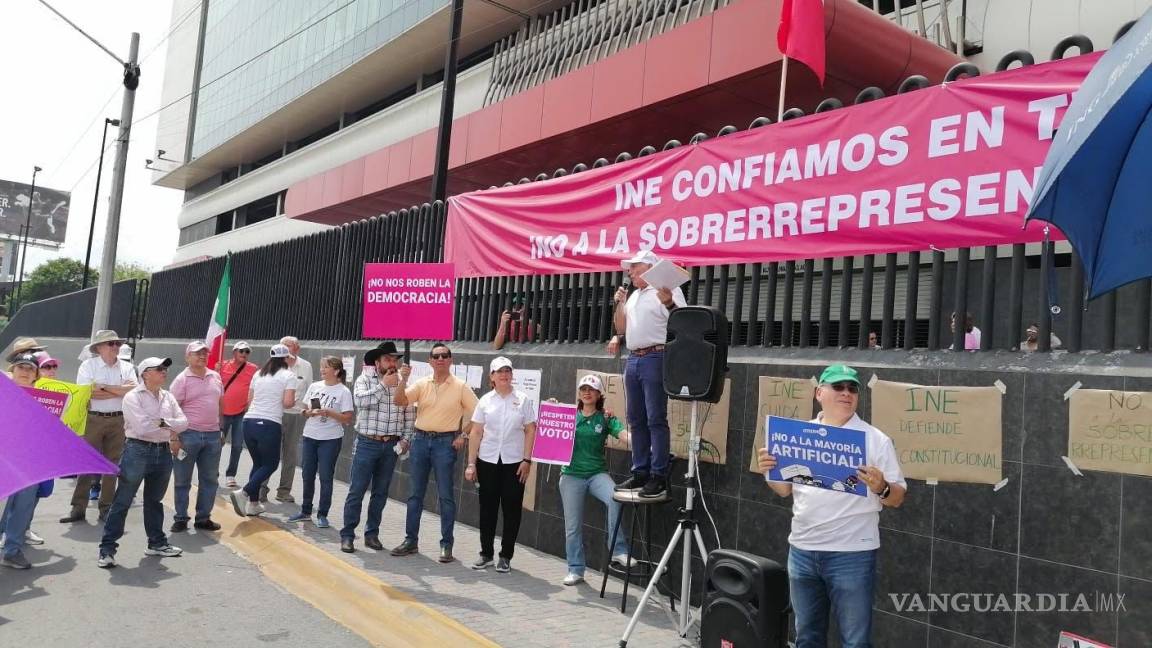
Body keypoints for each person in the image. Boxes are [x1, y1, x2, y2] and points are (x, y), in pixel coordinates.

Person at [757, 364, 907, 648]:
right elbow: (784, 490)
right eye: (838, 387)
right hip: (802, 550)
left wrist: (881, 487)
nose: (846, 393)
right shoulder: (799, 436)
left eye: (852, 388)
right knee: (807, 637)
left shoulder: (876, 440)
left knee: (855, 642)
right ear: (819, 393)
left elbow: (897, 498)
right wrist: (769, 472)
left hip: (852, 554)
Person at [608, 250, 686, 498]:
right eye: (628, 268)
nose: (629, 271)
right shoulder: (633, 297)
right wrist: (620, 302)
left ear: (650, 267)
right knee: (635, 418)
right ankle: (640, 471)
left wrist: (669, 303)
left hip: (656, 355)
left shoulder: (666, 288)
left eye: (634, 266)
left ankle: (658, 474)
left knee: (655, 417)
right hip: (634, 358)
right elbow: (621, 327)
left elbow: (683, 322)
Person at [98, 357, 189, 568]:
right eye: (159, 368)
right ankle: (107, 549)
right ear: (145, 373)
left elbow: (184, 422)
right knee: (123, 500)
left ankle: (156, 543)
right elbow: (142, 428)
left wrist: (161, 423)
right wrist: (169, 425)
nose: (164, 371)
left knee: (155, 500)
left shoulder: (168, 396)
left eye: (165, 368)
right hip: (137, 450)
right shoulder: (132, 397)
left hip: (163, 450)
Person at [392, 344, 478, 563]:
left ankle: (446, 545)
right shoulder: (421, 383)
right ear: (430, 361)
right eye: (436, 356)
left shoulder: (460, 387)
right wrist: (403, 379)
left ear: (451, 360)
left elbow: (479, 414)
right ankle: (411, 541)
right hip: (420, 440)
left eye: (445, 356)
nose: (440, 359)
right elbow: (399, 401)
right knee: (415, 495)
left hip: (445, 443)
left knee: (446, 496)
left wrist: (464, 435)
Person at [557, 374, 632, 585]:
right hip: (571, 475)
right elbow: (550, 427)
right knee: (572, 527)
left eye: (591, 389)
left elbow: (623, 434)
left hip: (597, 473)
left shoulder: (606, 418)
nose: (587, 392)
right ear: (579, 393)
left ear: (599, 394)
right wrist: (552, 409)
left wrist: (641, 443)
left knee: (616, 496)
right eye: (583, 389)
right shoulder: (569, 415)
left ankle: (618, 550)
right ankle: (575, 569)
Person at [465, 357, 537, 573]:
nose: (504, 375)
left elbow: (530, 430)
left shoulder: (523, 400)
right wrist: (471, 463)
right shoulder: (485, 400)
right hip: (487, 461)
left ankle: (506, 556)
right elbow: (476, 432)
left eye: (508, 371)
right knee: (487, 509)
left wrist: (527, 460)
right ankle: (486, 554)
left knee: (512, 510)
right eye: (499, 372)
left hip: (514, 463)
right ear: (492, 377)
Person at [340, 341, 413, 553]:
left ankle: (372, 534)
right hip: (367, 443)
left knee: (380, 493)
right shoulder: (365, 380)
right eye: (387, 359)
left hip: (391, 445)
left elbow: (409, 415)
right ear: (377, 362)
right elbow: (361, 402)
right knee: (357, 490)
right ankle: (347, 535)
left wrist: (406, 439)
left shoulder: (403, 384)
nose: (392, 363)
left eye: (394, 360)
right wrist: (383, 385)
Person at [63, 330, 137, 524]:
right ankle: (78, 508)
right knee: (86, 462)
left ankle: (106, 508)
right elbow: (87, 393)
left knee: (111, 466)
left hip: (118, 419)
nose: (115, 347)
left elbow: (132, 391)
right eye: (111, 343)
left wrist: (103, 387)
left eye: (117, 343)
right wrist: (118, 390)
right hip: (93, 419)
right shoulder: (88, 365)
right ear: (99, 348)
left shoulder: (128, 367)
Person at [229, 345, 297, 517]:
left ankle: (253, 504)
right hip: (269, 423)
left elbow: (250, 399)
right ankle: (244, 493)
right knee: (271, 464)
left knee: (258, 464)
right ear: (286, 359)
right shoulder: (289, 375)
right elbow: (288, 403)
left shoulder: (258, 374)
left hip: (249, 421)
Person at [288, 357, 354, 529]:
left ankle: (323, 514)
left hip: (330, 439)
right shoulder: (314, 386)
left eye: (326, 367)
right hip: (310, 436)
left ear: (337, 371)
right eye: (321, 367)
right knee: (307, 474)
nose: (322, 370)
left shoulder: (343, 392)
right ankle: (305, 511)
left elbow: (347, 418)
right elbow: (302, 408)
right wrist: (308, 412)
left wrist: (330, 413)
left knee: (325, 477)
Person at [169, 341, 224, 533]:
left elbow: (220, 404)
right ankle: (181, 518)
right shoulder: (181, 380)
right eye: (197, 353)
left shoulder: (215, 376)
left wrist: (221, 429)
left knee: (209, 479)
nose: (201, 356)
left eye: (204, 353)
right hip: (188, 435)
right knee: (182, 480)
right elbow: (172, 410)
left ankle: (203, 518)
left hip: (212, 435)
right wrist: (174, 438)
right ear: (187, 357)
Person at [1, 353, 45, 568]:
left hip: (30, 461)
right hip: (4, 460)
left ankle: (12, 551)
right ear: (13, 370)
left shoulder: (45, 398)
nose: (25, 372)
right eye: (21, 367)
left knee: (23, 508)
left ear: (36, 374)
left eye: (30, 369)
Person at [261, 336, 313, 503]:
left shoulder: (306, 366)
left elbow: (309, 390)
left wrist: (306, 410)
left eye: (289, 346)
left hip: (295, 415)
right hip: (274, 414)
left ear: (297, 349)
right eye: (283, 346)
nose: (285, 350)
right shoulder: (273, 365)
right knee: (269, 452)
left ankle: (284, 491)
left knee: (290, 454)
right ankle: (261, 488)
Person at [219, 341, 258, 488]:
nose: (244, 354)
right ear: (234, 352)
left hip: (241, 413)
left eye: (247, 351)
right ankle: (212, 474)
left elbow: (256, 388)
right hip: (222, 413)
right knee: (217, 444)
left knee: (237, 446)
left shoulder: (253, 369)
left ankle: (230, 475)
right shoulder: (222, 366)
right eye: (241, 351)